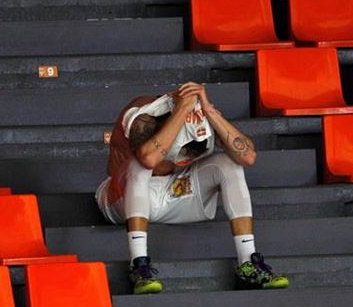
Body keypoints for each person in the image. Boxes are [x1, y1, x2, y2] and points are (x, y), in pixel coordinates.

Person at [95, 82, 289, 294]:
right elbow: (149, 158)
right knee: (139, 165)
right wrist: (181, 110)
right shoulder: (144, 112)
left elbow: (248, 156)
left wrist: (210, 112)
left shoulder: (201, 114)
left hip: (175, 191)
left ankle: (247, 262)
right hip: (124, 197)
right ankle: (139, 265)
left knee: (230, 164)